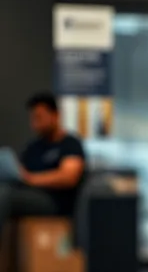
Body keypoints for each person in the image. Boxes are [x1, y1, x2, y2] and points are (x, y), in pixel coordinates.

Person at [0, 93, 86, 236]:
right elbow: (22, 171)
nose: (35, 124)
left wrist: (32, 179)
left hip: (54, 201)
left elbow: (69, 177)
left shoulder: (70, 144)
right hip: (28, 194)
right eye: (33, 119)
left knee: (3, 195)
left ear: (55, 115)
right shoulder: (34, 146)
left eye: (39, 118)